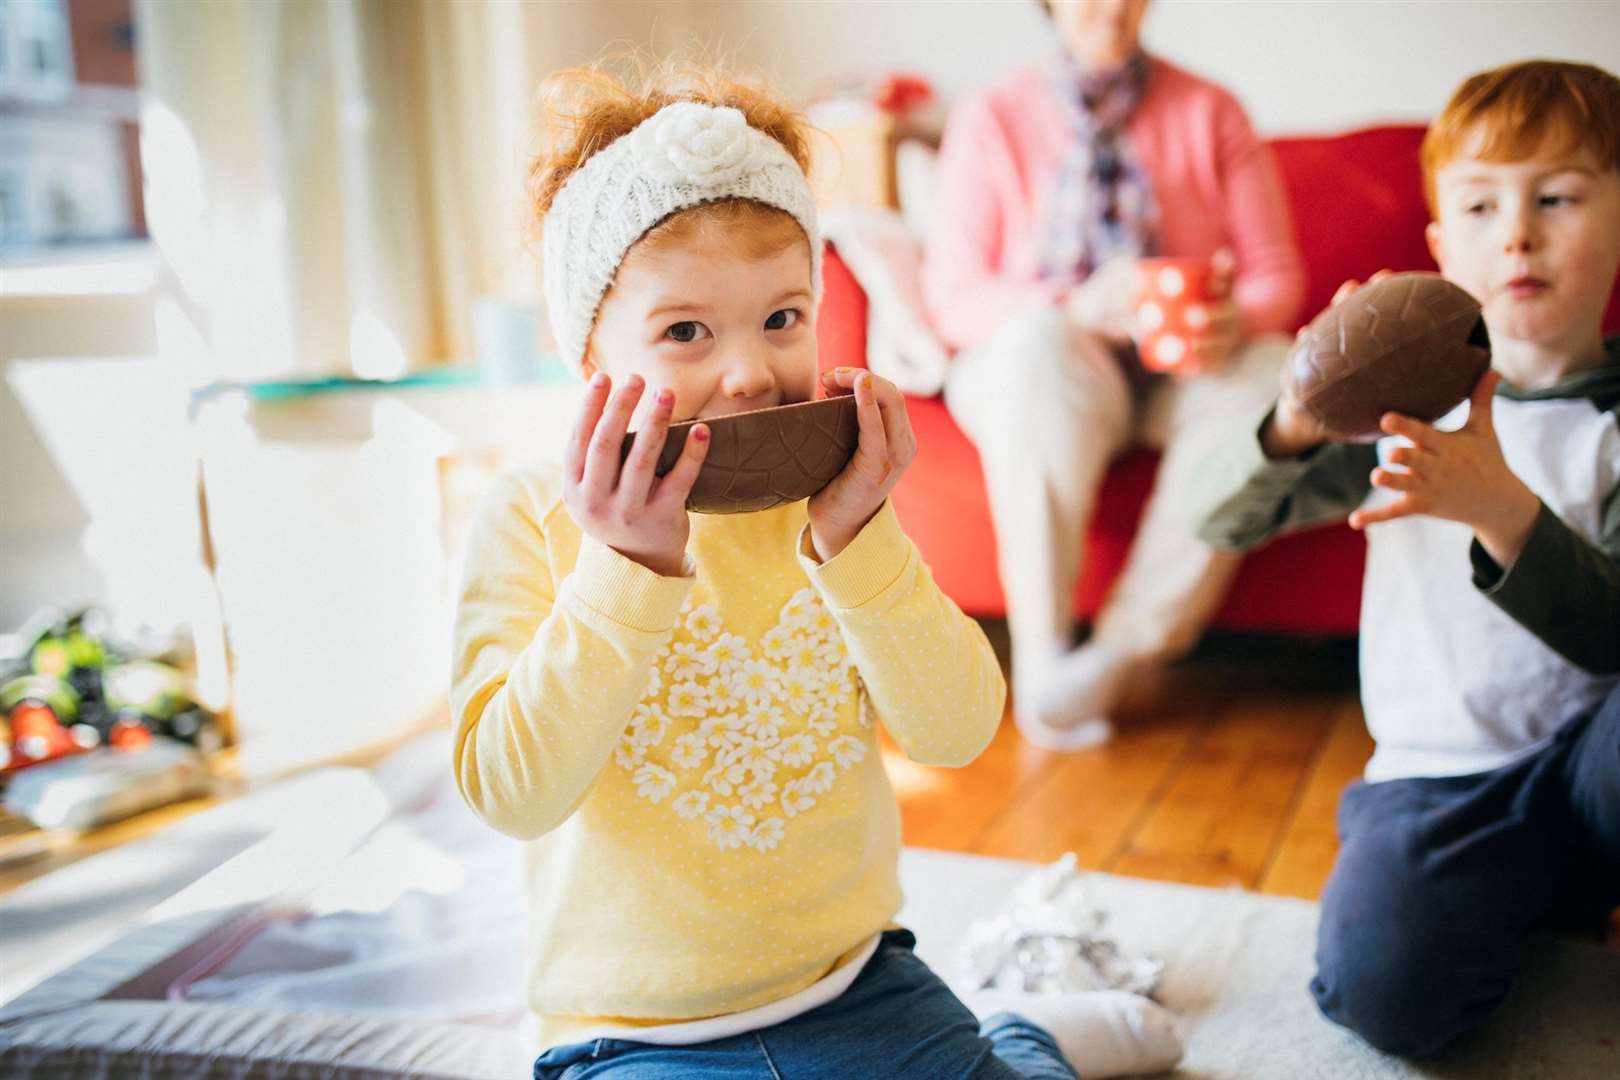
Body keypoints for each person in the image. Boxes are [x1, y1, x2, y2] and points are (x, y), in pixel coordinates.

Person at [449, 60, 1184, 1079]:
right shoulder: (532, 515)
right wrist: (624, 569)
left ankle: (1023, 1037)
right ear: (588, 356)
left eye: (782, 318)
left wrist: (860, 538)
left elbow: (958, 731)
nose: (750, 371)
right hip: (632, 1033)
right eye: (685, 332)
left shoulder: (830, 504)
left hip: (856, 983)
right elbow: (511, 791)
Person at [1196, 59, 1620, 1057]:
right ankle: (1516, 900)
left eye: (1556, 197)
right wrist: (1299, 416)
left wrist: (1503, 510)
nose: (1517, 231)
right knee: (1387, 998)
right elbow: (1219, 521)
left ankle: (1555, 885)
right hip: (1443, 781)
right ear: (1440, 246)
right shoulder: (1404, 408)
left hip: (1597, 765)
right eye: (1481, 205)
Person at [921, 0, 1306, 749]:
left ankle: (1120, 652)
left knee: (1276, 372)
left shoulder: (1212, 110)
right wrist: (1071, 306)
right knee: (1035, 345)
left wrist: (1234, 318)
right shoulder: (990, 117)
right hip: (1047, 368)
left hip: (1178, 371)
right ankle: (1042, 657)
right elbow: (954, 296)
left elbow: (1275, 276)